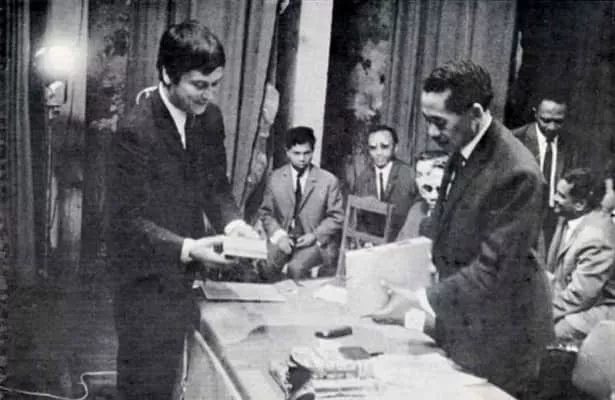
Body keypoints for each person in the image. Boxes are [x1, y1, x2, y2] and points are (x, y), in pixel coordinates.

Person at [368, 60, 553, 397]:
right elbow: (442, 225)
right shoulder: (463, 145)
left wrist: (420, 299)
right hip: (465, 321)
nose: (431, 132)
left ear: (475, 113)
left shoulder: (519, 173)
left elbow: (492, 270)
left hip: (505, 337)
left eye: (439, 122)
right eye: (427, 120)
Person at [107, 20, 258, 400]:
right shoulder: (134, 130)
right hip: (143, 283)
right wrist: (189, 248)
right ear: (167, 74)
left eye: (215, 85)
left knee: (184, 377)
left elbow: (216, 186)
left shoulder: (211, 119)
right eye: (199, 85)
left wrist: (234, 224)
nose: (208, 95)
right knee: (145, 386)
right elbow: (127, 221)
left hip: (188, 278)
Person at [258, 126, 344, 280]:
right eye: (296, 153)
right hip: (285, 237)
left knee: (295, 269)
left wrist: (315, 235)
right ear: (287, 152)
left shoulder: (328, 181)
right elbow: (266, 213)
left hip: (315, 242)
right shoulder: (275, 178)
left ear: (313, 151)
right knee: (266, 266)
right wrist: (279, 236)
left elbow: (337, 217)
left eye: (307, 153)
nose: (302, 159)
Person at [547, 168, 615, 342]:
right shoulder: (567, 216)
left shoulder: (596, 237)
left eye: (561, 196)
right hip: (572, 297)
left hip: (600, 308)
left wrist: (541, 313)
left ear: (580, 205)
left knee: (549, 333)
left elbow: (581, 297)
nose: (554, 198)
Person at [513, 91, 577, 251]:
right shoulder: (515, 139)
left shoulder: (572, 143)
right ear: (535, 113)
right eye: (546, 120)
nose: (552, 127)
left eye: (558, 121)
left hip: (555, 220)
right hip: (521, 218)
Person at [396, 151, 447, 240]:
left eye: (429, 174)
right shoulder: (417, 209)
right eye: (419, 175)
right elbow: (401, 242)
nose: (424, 182)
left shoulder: (456, 215)